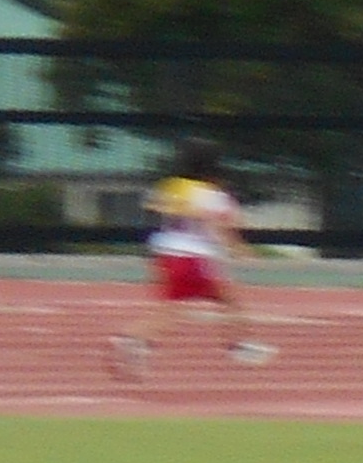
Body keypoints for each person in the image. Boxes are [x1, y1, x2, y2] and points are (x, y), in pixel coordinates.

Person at [111, 148, 269, 380]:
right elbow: (221, 225)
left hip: (165, 254)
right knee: (203, 305)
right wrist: (239, 248)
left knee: (211, 301)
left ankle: (137, 340)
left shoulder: (171, 187)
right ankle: (135, 338)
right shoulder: (213, 195)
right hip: (194, 257)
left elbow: (154, 211)